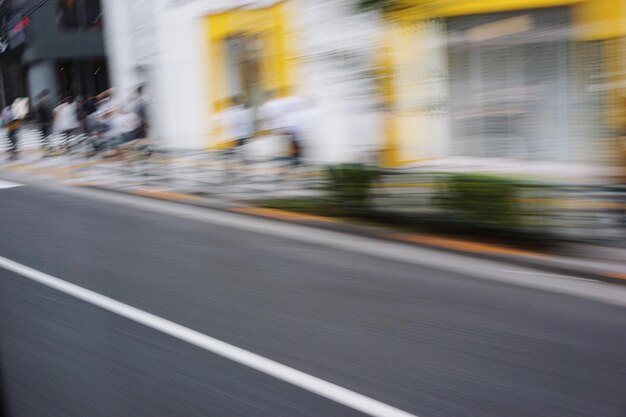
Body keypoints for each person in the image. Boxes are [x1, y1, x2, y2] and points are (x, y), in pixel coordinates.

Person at [223, 95, 255, 163]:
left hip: (237, 132)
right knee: (241, 146)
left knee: (240, 146)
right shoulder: (238, 110)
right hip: (240, 132)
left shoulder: (230, 111)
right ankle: (242, 159)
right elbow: (245, 120)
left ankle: (240, 158)